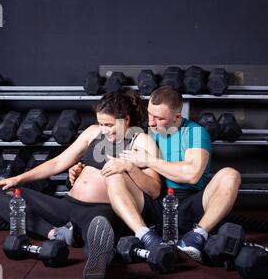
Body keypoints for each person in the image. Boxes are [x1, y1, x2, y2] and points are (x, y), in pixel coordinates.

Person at [0, 90, 161, 279]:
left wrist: (129, 167)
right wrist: (18, 179)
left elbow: (154, 189)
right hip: (68, 206)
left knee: (98, 234)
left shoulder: (141, 141)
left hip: (101, 211)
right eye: (101, 123)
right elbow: (57, 163)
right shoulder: (93, 132)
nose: (104, 130)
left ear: (126, 120)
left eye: (109, 125)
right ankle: (57, 234)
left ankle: (99, 258)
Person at [70, 86, 241, 263]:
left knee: (230, 174)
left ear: (177, 116)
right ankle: (146, 236)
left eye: (159, 118)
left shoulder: (194, 133)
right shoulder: (147, 132)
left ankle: (196, 236)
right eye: (150, 114)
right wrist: (82, 168)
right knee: (116, 173)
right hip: (155, 203)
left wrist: (150, 161)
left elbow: (192, 174)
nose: (151, 122)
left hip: (190, 202)